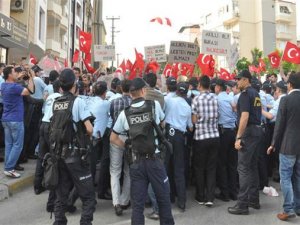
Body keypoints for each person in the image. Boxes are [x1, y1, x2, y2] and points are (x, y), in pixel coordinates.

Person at [110, 78, 174, 225]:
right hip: (155, 161)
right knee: (164, 201)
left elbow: (113, 138)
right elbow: (163, 123)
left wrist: (126, 145)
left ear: (131, 94)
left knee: (137, 206)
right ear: (144, 91)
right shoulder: (154, 105)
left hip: (136, 163)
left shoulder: (124, 113)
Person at [51, 68, 96, 225]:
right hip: (75, 155)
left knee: (61, 194)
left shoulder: (56, 102)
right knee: (89, 196)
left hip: (59, 154)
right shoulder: (78, 102)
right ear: (74, 84)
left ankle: (59, 222)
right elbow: (89, 128)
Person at [228, 70, 263, 215]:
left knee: (243, 168)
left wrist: (238, 137)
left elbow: (244, 117)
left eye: (239, 80)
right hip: (257, 131)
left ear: (246, 80)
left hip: (248, 132)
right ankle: (253, 200)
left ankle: (242, 204)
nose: (237, 82)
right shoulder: (255, 93)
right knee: (252, 166)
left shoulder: (244, 94)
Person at [267, 72, 300, 221]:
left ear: (290, 84)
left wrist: (273, 144)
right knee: (297, 176)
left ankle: (288, 209)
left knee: (285, 178)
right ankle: (297, 207)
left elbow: (279, 125)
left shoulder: (286, 100)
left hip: (288, 145)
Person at [1, 66, 34, 178]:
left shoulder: (3, 85)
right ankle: (9, 168)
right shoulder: (15, 87)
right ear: (10, 75)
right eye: (15, 72)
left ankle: (8, 167)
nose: (17, 73)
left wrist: (19, 79)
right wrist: (30, 78)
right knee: (17, 145)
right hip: (16, 120)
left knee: (9, 144)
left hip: (6, 119)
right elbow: (29, 91)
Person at [164, 82, 193, 211]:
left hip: (168, 135)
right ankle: (182, 201)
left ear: (176, 91)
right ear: (186, 93)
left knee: (167, 167)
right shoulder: (187, 107)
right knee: (179, 169)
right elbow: (190, 127)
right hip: (180, 137)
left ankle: (169, 197)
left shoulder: (169, 101)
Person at [192, 75, 220, 207]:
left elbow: (193, 120)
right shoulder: (215, 98)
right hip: (214, 136)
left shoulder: (196, 99)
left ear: (199, 85)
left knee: (199, 168)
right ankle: (210, 197)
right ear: (210, 85)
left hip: (201, 137)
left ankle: (200, 196)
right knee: (211, 168)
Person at [109, 79, 132, 216]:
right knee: (128, 171)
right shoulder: (134, 103)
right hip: (129, 139)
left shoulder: (113, 102)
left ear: (121, 88)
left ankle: (116, 202)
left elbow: (112, 116)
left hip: (116, 137)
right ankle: (124, 201)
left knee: (115, 171)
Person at [214, 79, 238, 201]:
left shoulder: (217, 99)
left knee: (222, 163)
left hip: (223, 132)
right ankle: (234, 192)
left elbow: (216, 115)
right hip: (233, 131)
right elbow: (235, 112)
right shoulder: (231, 98)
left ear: (218, 87)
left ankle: (225, 193)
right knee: (232, 164)